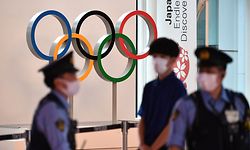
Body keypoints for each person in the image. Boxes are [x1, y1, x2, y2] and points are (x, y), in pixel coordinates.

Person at [168, 46, 250, 150]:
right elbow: (175, 145)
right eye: (201, 71)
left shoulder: (238, 102)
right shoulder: (186, 105)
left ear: (223, 74)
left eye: (210, 71)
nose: (204, 75)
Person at [138, 38, 187, 150]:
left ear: (173, 60)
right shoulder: (149, 87)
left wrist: (153, 148)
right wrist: (142, 144)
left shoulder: (178, 89)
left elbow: (173, 124)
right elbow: (143, 119)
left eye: (163, 57)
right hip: (146, 146)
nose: (157, 60)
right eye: (154, 56)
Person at [28, 52, 79, 150]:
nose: (75, 79)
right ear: (58, 82)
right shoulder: (53, 110)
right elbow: (60, 146)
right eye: (71, 76)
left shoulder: (56, 105)